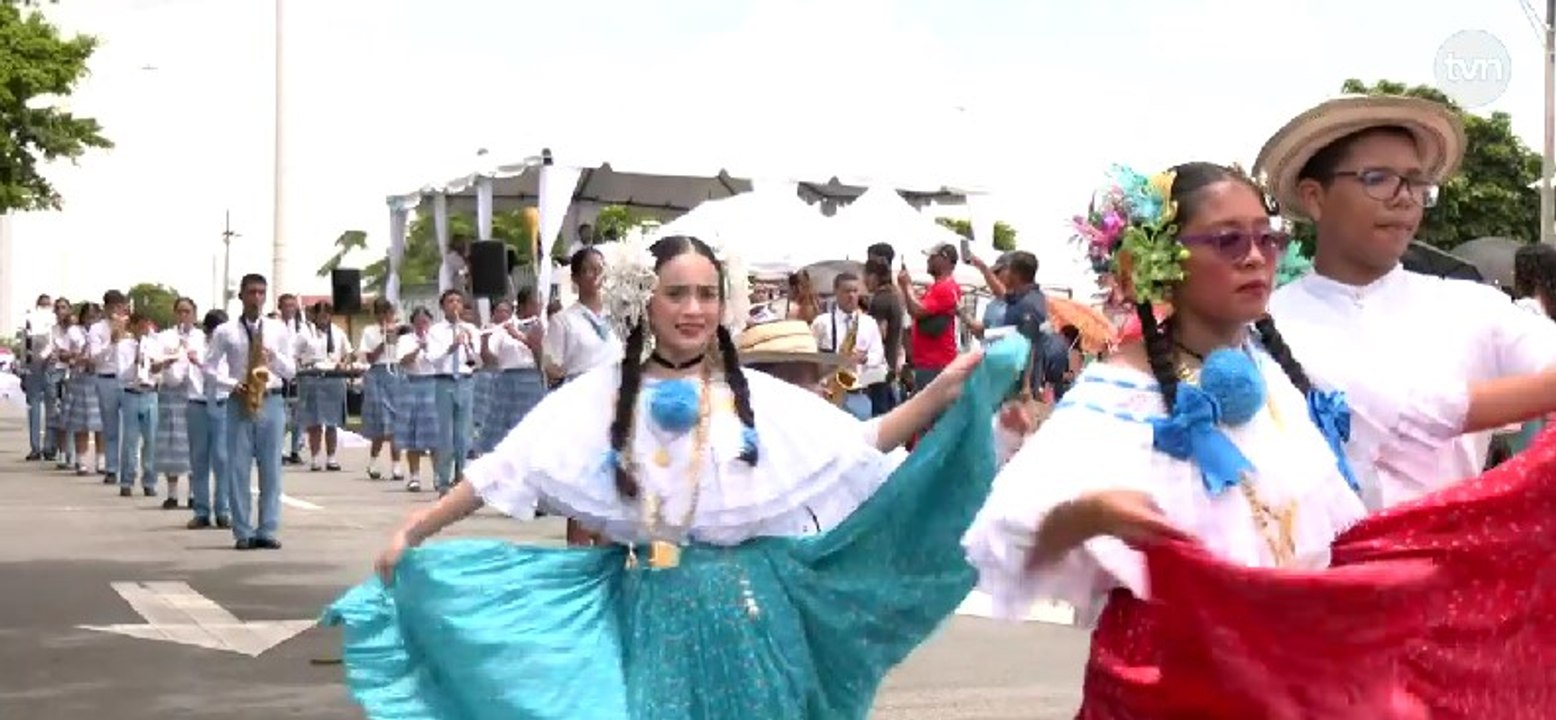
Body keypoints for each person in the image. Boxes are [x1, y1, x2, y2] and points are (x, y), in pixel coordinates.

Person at [323, 235, 1029, 720]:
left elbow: (860, 444)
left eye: (705, 294)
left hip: (758, 614)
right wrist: (415, 527)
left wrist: (945, 393)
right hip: (653, 609)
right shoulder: (599, 396)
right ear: (645, 301)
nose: (693, 309)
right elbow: (505, 466)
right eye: (676, 294)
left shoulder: (759, 396)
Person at [964, 161, 1556, 718]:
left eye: (1265, 239)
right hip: (1176, 687)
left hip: (1284, 675)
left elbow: (1428, 421)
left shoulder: (1279, 366)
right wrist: (1092, 513)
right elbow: (1015, 541)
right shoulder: (1117, 393)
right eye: (1227, 241)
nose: (1256, 257)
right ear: (1160, 262)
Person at [1261, 94, 1556, 509]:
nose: (1405, 198)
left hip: (1453, 565)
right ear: (1315, 197)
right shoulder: (1263, 325)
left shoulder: (1471, 307)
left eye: (1417, 183)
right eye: (1378, 178)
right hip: (1310, 567)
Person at [204, 273, 297, 550]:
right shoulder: (226, 332)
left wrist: (273, 357)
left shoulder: (278, 329)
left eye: (261, 293)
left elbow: (291, 370)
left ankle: (267, 529)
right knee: (238, 468)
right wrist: (231, 384)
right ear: (241, 296)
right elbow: (209, 367)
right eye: (252, 292)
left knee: (271, 468)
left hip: (271, 398)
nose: (257, 298)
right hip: (240, 400)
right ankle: (242, 530)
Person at [810, 271, 885, 420]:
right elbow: (810, 356)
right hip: (829, 395)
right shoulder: (822, 322)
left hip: (858, 394)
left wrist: (864, 359)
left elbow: (879, 356)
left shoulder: (868, 323)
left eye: (855, 291)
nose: (851, 296)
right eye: (846, 291)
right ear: (836, 292)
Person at [151, 297, 200, 509]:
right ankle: (171, 494)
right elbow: (153, 364)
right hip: (171, 393)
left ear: (194, 314)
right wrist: (168, 359)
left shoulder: (200, 337)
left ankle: (193, 493)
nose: (183, 316)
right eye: (180, 311)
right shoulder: (165, 337)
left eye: (187, 312)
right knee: (171, 443)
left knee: (193, 444)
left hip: (193, 393)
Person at [294, 300, 353, 471]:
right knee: (315, 421)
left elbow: (348, 353)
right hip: (313, 376)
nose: (323, 319)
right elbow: (295, 353)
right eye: (320, 315)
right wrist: (301, 368)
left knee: (332, 421)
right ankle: (314, 457)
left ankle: (332, 457)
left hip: (333, 376)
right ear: (314, 316)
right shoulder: (306, 332)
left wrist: (343, 362)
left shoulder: (338, 332)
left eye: (327, 315)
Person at [186, 309, 231, 530]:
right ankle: (201, 510)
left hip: (222, 403)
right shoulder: (195, 343)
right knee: (199, 459)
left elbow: (223, 378)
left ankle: (223, 509)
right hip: (197, 403)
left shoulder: (228, 348)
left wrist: (202, 366)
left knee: (222, 459)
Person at [897, 243, 962, 391]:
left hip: (935, 364)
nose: (928, 261)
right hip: (929, 364)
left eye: (932, 257)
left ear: (944, 258)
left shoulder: (946, 287)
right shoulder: (937, 287)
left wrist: (907, 286)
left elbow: (917, 310)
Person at [357, 298, 405, 481]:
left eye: (389, 312)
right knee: (380, 422)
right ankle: (374, 461)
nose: (385, 316)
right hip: (377, 373)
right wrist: (384, 341)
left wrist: (397, 335)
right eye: (381, 313)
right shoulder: (369, 331)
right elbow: (369, 357)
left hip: (396, 372)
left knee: (397, 423)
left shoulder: (400, 330)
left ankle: (397, 465)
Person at [862, 258, 904, 415]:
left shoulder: (880, 300)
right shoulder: (894, 296)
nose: (864, 281)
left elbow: (880, 334)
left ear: (873, 276)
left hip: (879, 367)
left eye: (865, 275)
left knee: (879, 414)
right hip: (890, 363)